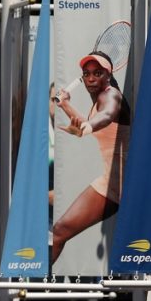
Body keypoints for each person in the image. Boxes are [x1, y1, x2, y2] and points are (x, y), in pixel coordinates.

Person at [51, 51, 131, 264]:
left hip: (133, 185)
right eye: (86, 74)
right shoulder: (98, 102)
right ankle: (36, 282)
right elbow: (90, 123)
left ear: (108, 74)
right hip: (112, 184)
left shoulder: (111, 96)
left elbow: (107, 116)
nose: (91, 78)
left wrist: (85, 128)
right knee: (59, 231)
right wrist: (65, 105)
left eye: (97, 73)